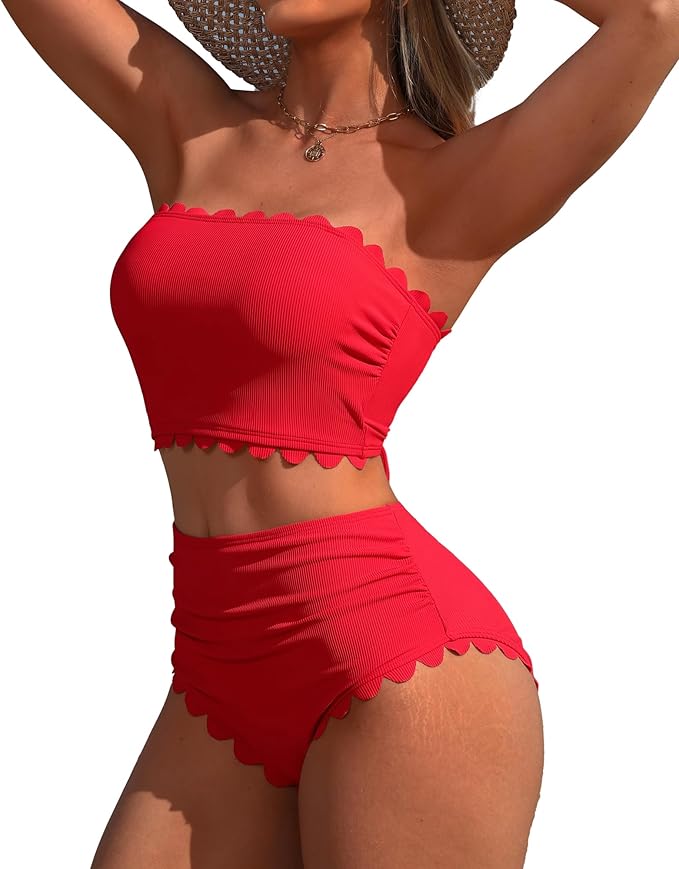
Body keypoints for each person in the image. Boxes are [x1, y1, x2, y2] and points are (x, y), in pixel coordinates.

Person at [4, 0, 678, 866]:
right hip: (215, 658)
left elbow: (653, 18)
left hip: (396, 658)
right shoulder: (193, 124)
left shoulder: (449, 182)